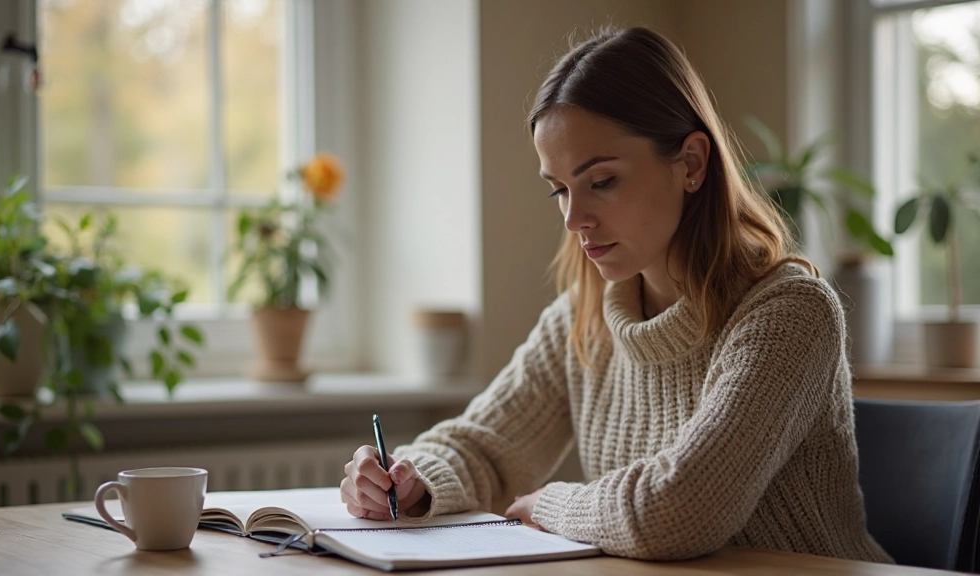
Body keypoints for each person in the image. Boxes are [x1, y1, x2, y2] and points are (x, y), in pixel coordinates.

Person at [340, 26, 892, 563]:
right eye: (559, 189)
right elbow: (485, 447)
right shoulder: (583, 321)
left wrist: (550, 504)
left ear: (692, 164)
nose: (574, 218)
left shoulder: (790, 313)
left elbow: (682, 508)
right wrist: (408, 479)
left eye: (600, 182)